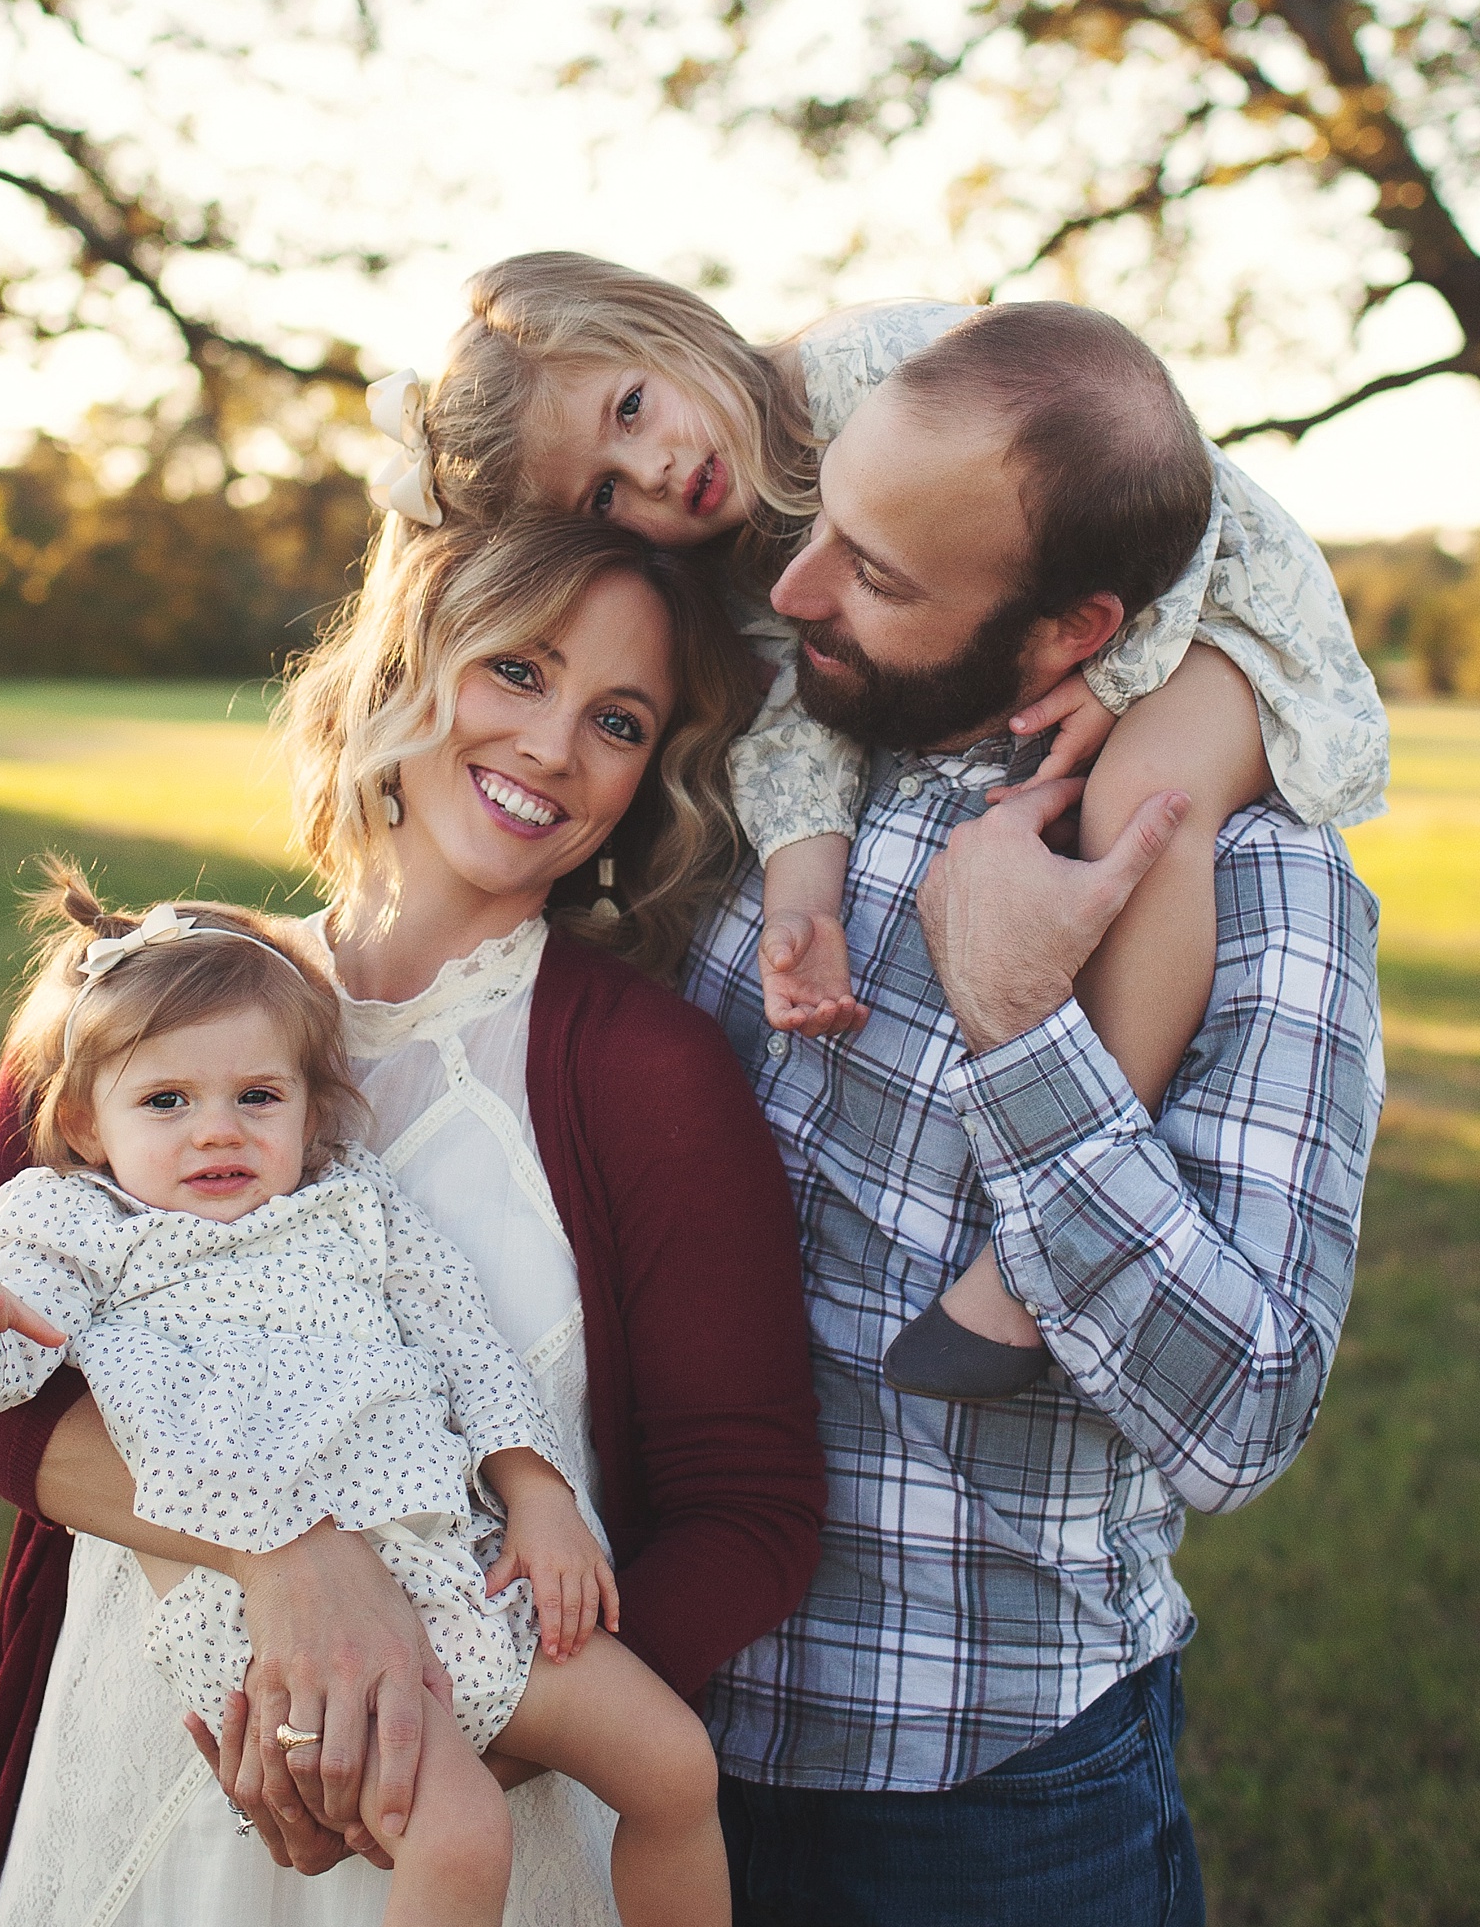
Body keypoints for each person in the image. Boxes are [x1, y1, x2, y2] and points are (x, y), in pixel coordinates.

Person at [0, 513, 829, 1927]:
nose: (556, 746)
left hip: (490, 1813)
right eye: (520, 671)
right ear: (400, 668)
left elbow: (750, 1505)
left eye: (622, 722)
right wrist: (278, 1554)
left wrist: (484, 1725)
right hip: (173, 1769)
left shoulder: (641, 1068)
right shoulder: (162, 998)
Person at [673, 299, 1386, 1927]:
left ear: (1073, 629)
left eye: (881, 575)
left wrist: (1021, 1032)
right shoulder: (745, 779)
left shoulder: (1256, 884)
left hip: (1007, 1792)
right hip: (659, 1759)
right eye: (824, 532)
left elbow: (1245, 1413)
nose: (796, 586)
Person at [375, 253, 1385, 1400]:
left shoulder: (867, 366)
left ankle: (1031, 1255)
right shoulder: (736, 554)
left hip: (1214, 610)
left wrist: (1122, 670)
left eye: (632, 407)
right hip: (1098, 623)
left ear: (665, 326)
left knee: (1147, 807)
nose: (653, 471)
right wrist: (806, 895)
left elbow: (1159, 471)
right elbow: (793, 721)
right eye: (605, 493)